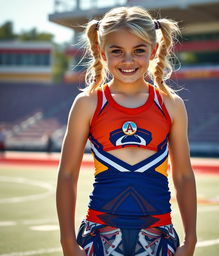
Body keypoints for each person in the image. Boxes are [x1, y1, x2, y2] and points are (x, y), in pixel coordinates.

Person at [56, 6, 197, 256]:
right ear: (102, 52)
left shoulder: (171, 105)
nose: (128, 60)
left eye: (139, 51)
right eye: (117, 51)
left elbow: (184, 176)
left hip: (158, 236)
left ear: (153, 51)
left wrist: (191, 240)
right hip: (100, 235)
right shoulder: (88, 103)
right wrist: (68, 242)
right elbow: (67, 175)